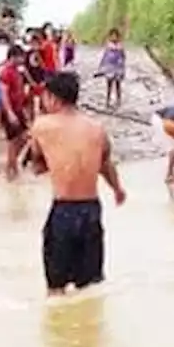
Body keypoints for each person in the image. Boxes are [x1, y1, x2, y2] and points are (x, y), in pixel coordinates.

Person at [25, 71, 126, 296]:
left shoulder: (42, 126)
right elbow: (105, 164)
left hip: (64, 210)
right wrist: (118, 189)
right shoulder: (96, 128)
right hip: (91, 209)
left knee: (56, 287)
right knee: (90, 287)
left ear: (52, 98)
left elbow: (37, 164)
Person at [0, 45, 32, 181]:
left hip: (18, 109)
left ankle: (11, 165)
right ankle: (11, 170)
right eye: (21, 57)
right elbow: (4, 94)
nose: (23, 59)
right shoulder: (5, 72)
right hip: (10, 110)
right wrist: (10, 112)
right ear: (13, 57)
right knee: (13, 141)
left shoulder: (17, 71)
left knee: (24, 138)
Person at [96, 29, 126, 109]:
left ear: (118, 36)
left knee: (118, 85)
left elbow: (123, 57)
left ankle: (118, 101)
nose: (114, 37)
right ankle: (107, 101)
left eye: (115, 35)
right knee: (109, 85)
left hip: (118, 68)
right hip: (109, 68)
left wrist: (123, 69)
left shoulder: (121, 46)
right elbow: (104, 57)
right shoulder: (108, 46)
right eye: (112, 35)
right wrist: (101, 67)